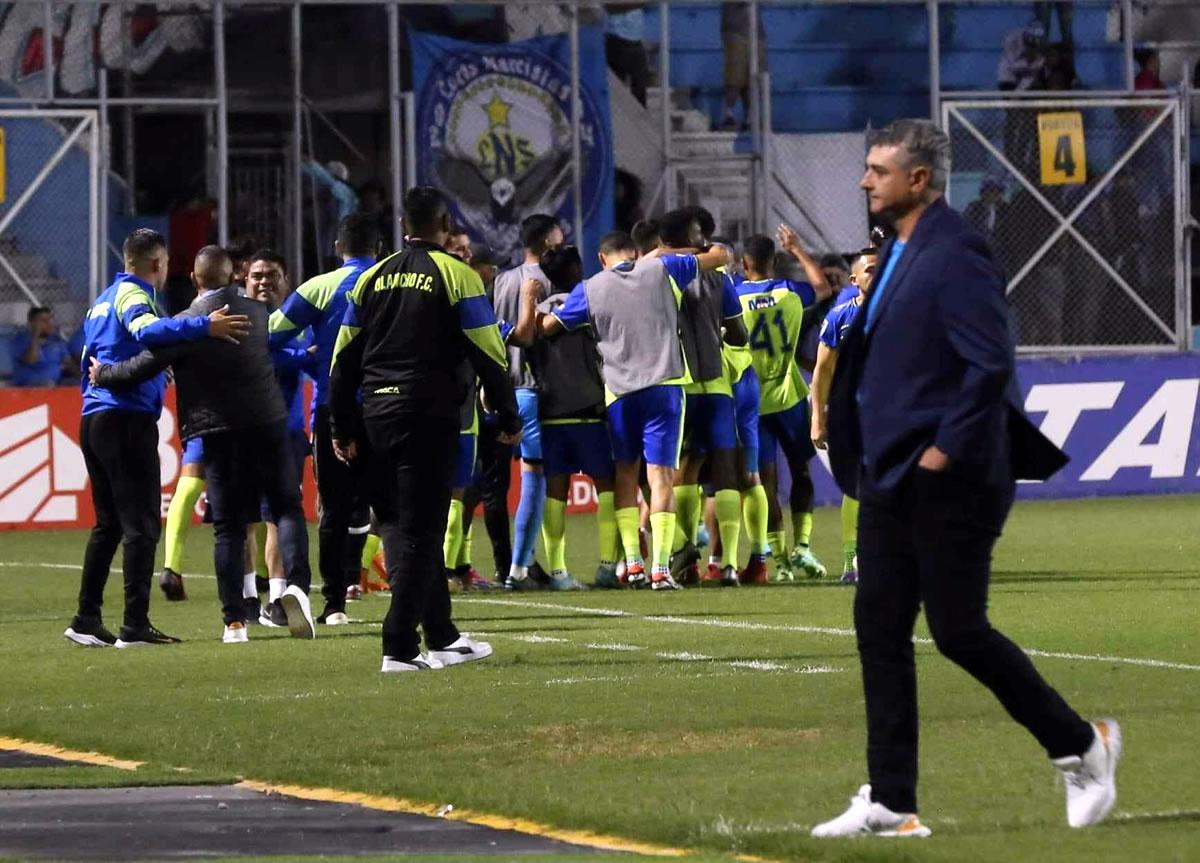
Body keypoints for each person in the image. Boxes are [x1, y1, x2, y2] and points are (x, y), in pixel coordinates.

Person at [813, 119, 1119, 838]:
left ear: (918, 180)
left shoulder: (957, 251)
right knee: (878, 625)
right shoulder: (896, 252)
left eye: (878, 171)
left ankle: (1081, 746)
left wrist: (942, 451)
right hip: (891, 474)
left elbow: (990, 362)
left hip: (952, 475)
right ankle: (891, 801)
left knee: (958, 629)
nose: (865, 182)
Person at [328, 186, 521, 673]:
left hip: (374, 414)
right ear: (445, 223)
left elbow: (342, 359)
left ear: (402, 225)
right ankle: (398, 645)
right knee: (424, 531)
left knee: (397, 525)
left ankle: (442, 636)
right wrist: (507, 415)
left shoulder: (370, 277)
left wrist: (341, 425)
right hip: (427, 416)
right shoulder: (458, 275)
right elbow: (488, 353)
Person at [90, 247, 316, 645]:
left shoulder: (184, 324)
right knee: (285, 509)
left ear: (194, 280)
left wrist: (104, 374)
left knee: (228, 527)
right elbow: (278, 353)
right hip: (268, 424)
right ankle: (296, 587)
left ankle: (235, 623)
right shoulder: (259, 314)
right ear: (234, 278)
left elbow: (142, 366)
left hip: (216, 430)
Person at [64, 229, 249, 649]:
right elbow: (146, 330)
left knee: (108, 526)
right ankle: (134, 626)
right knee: (142, 526)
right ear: (156, 265)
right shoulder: (135, 295)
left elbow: (89, 355)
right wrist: (206, 326)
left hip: (94, 417)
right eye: (164, 265)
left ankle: (86, 618)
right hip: (125, 419)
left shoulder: (101, 300)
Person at [536, 230, 730, 591]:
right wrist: (674, 249)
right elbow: (720, 256)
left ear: (601, 258)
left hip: (621, 393)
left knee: (626, 474)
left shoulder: (591, 288)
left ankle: (635, 565)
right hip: (665, 387)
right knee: (661, 477)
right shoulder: (662, 269)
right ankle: (660, 569)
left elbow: (547, 327)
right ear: (636, 252)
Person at [269, 214, 379, 626]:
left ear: (338, 248)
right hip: (389, 408)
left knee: (333, 508)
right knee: (393, 506)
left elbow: (267, 338)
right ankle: (413, 599)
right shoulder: (391, 279)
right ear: (380, 247)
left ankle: (334, 604)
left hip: (333, 409)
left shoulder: (318, 287)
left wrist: (305, 359)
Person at [732, 227, 833, 581]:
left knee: (765, 483)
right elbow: (823, 289)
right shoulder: (789, 293)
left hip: (752, 404)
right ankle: (802, 546)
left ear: (745, 265)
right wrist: (799, 249)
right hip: (789, 396)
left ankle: (780, 562)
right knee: (802, 471)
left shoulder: (733, 298)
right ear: (774, 261)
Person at [658, 208, 747, 588]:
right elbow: (739, 333)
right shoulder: (717, 277)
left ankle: (687, 555)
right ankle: (727, 565)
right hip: (717, 384)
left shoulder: (658, 274)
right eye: (698, 233)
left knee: (684, 472)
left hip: (681, 383)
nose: (703, 239)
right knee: (726, 473)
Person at [533, 245, 617, 589]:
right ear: (578, 268)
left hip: (551, 412)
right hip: (589, 410)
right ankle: (608, 567)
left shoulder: (536, 313)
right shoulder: (591, 303)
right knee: (607, 488)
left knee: (555, 492)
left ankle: (557, 572)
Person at [491, 213, 563, 590]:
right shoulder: (548, 282)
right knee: (535, 479)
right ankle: (519, 568)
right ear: (549, 240)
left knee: (490, 485)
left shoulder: (500, 280)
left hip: (499, 390)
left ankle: (518, 562)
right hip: (532, 391)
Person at [809, 247, 878, 585]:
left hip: (894, 413)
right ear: (854, 279)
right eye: (870, 271)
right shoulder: (840, 316)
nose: (877, 275)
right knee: (856, 488)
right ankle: (853, 561)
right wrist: (817, 419)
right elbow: (821, 371)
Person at [719, 1, 766, 130]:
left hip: (757, 31)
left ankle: (750, 117)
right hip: (735, 29)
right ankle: (729, 115)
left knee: (753, 76)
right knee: (735, 75)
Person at [10, 306, 72, 386]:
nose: (49, 323)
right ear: (31, 323)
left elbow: (68, 363)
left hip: (54, 386)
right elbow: (32, 359)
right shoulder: (20, 340)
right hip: (28, 388)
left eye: (50, 320)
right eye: (43, 321)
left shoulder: (56, 340)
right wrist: (36, 335)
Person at [605, 3, 649, 106]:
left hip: (636, 41)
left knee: (640, 85)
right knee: (617, 87)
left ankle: (640, 116)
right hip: (616, 38)